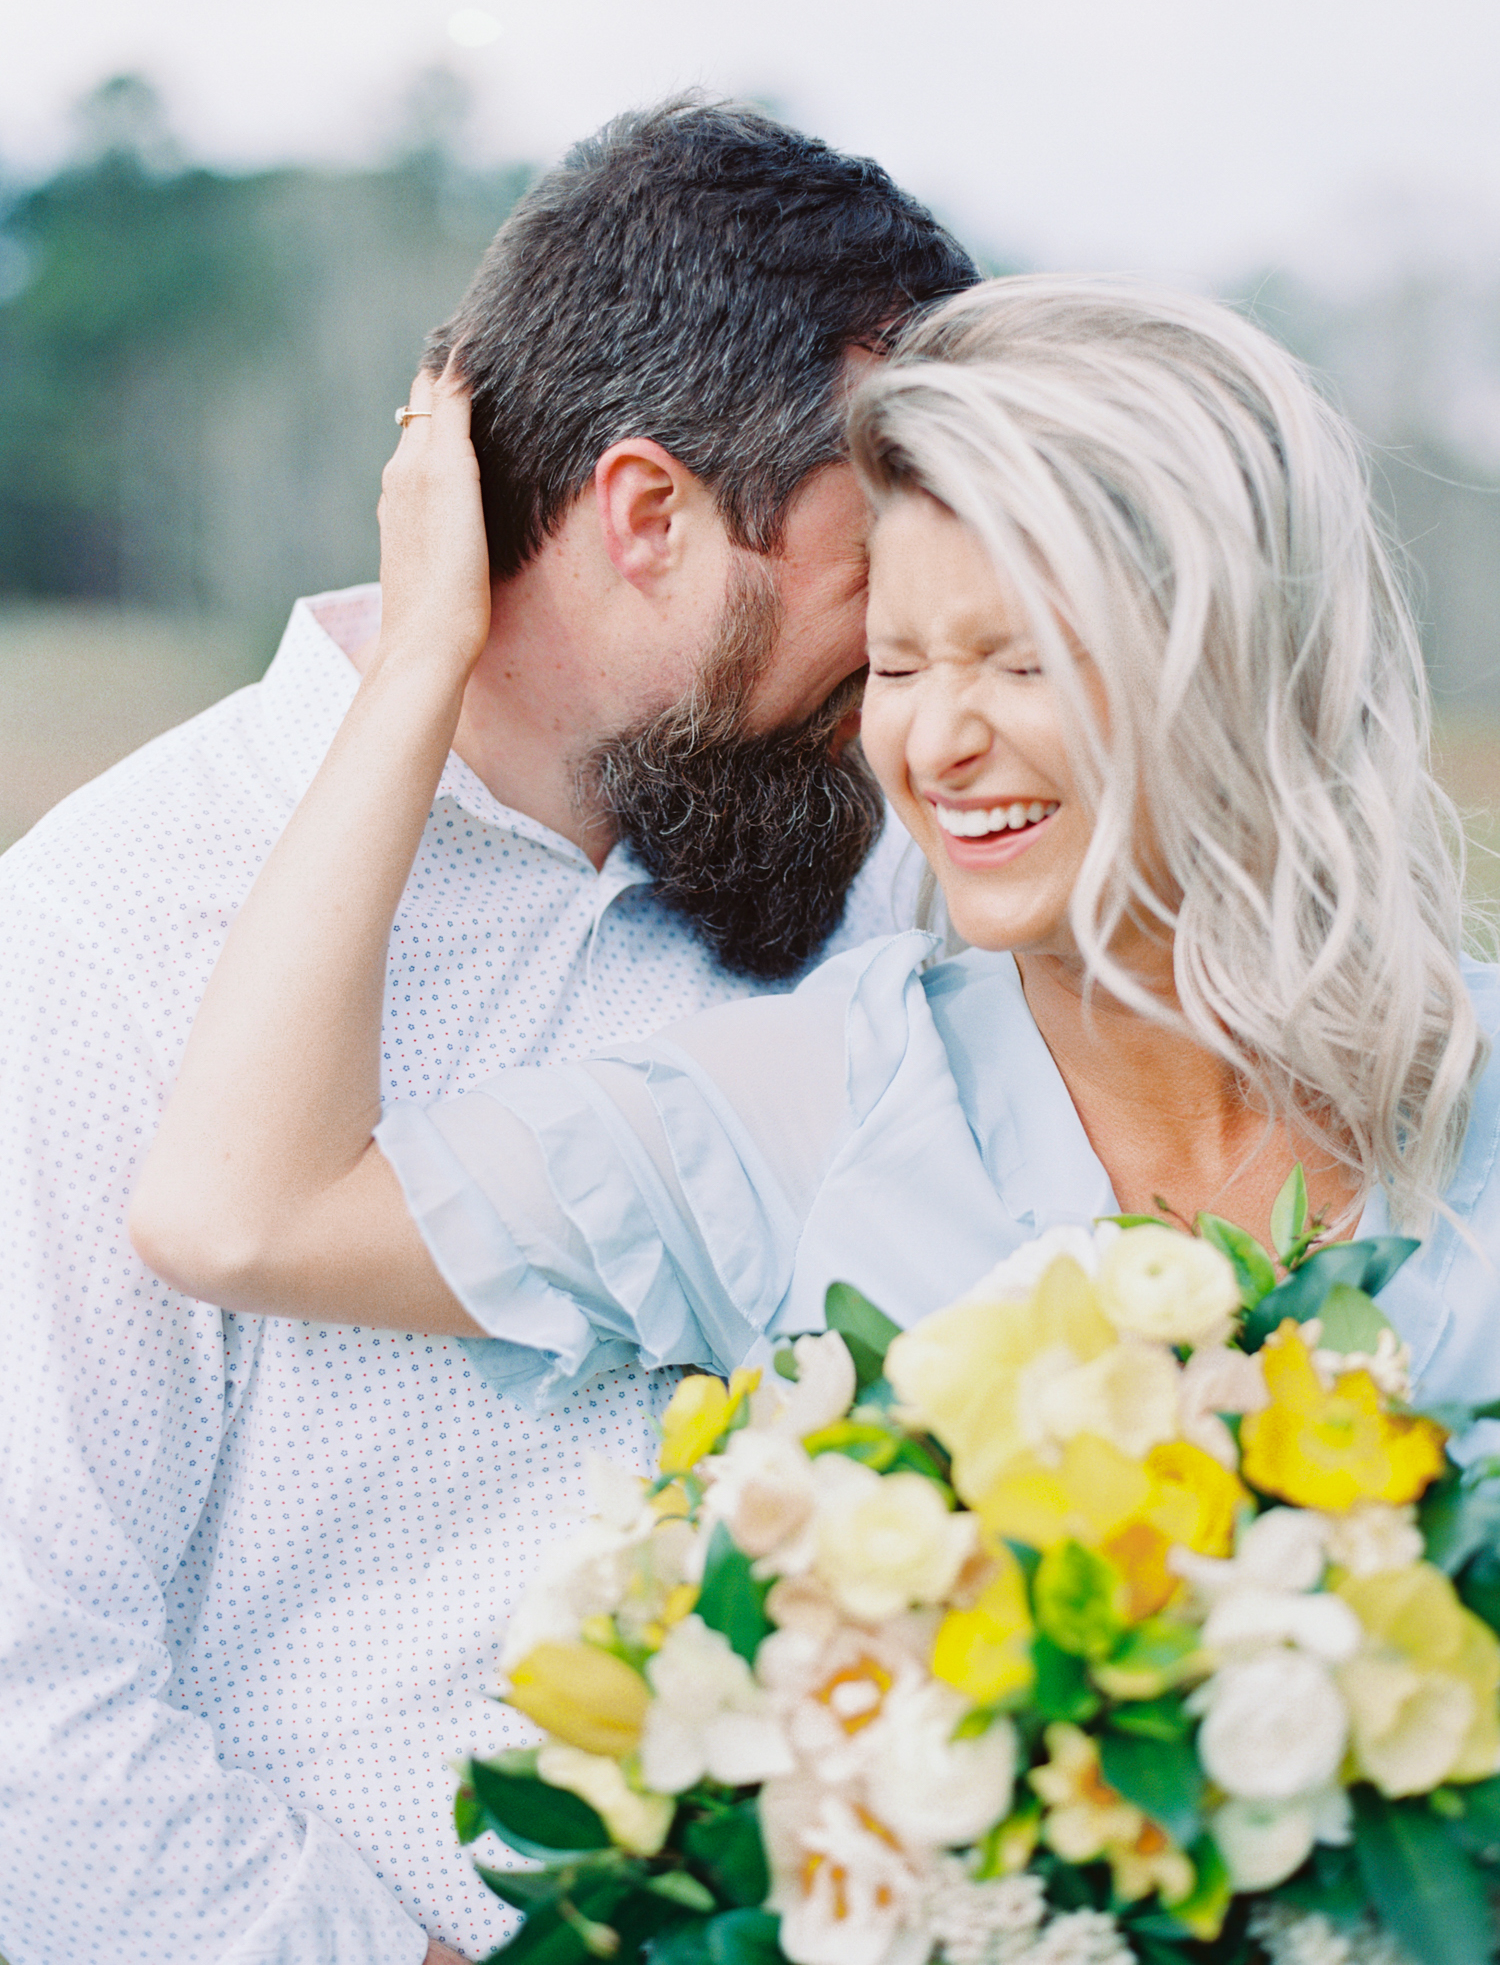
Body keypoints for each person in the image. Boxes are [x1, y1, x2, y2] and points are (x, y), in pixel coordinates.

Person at [0, 101, 977, 1965]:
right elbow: (23, 1707)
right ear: (646, 517)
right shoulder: (110, 933)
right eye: (877, 581)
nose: (911, 654)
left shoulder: (858, 865)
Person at [133, 274, 1500, 1456]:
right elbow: (240, 1214)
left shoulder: (1473, 1083)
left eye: (1019, 662)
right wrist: (422, 650)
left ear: (1236, 669)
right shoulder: (815, 1109)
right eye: (895, 665)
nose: (936, 743)